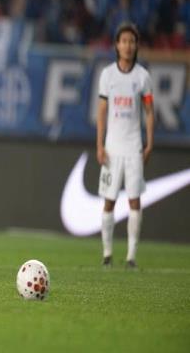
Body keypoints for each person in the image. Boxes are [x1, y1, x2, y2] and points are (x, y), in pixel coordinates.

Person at [97, 22, 154, 269]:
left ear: (136, 45)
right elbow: (102, 111)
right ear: (117, 45)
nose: (128, 46)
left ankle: (131, 256)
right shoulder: (107, 75)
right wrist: (99, 145)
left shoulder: (143, 77)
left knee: (134, 200)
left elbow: (149, 111)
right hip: (112, 148)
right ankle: (107, 253)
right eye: (124, 41)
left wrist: (149, 143)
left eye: (131, 41)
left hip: (133, 147)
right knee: (109, 200)